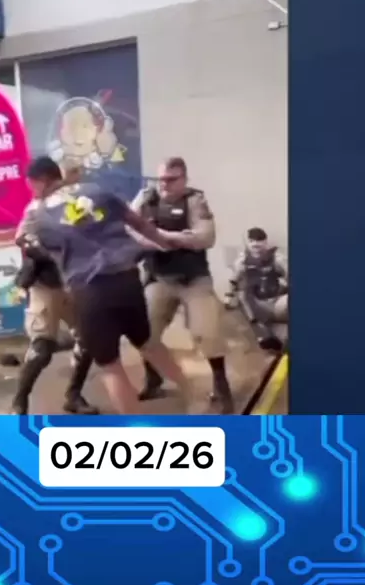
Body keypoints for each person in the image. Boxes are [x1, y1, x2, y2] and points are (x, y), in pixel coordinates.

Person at [31, 163, 192, 415]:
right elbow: (138, 223)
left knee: (111, 366)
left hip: (89, 290)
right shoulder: (95, 191)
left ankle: (137, 430)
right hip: (125, 278)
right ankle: (195, 396)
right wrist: (164, 242)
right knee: (148, 344)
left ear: (40, 181)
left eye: (31, 186)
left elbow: (56, 257)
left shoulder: (41, 217)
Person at [130, 157, 234, 414]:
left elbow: (205, 237)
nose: (164, 184)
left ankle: (221, 388)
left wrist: (164, 237)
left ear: (184, 179)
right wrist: (153, 241)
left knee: (208, 332)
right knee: (143, 333)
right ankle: (153, 378)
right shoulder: (146, 198)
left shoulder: (194, 200)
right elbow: (128, 227)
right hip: (159, 277)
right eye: (161, 179)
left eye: (171, 179)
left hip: (193, 279)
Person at [12, 157, 98, 416]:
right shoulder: (35, 209)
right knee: (42, 348)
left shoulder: (75, 201)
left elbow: (91, 231)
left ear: (44, 181)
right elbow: (21, 237)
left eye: (33, 184)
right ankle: (19, 403)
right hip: (46, 284)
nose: (31, 189)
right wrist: (44, 249)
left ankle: (73, 396)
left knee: (89, 339)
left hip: (74, 282)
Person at [225, 227, 288, 353]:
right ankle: (264, 336)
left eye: (259, 240)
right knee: (242, 296)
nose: (255, 244)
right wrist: (229, 296)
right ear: (248, 243)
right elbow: (233, 281)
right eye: (252, 241)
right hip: (256, 304)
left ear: (265, 242)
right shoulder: (242, 262)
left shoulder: (277, 258)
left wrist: (283, 284)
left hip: (277, 301)